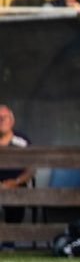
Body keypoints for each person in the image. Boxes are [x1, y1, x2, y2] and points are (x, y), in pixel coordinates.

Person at [0, 105, 36, 249]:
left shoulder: (22, 141)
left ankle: (9, 242)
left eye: (5, 117)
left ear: (12, 121)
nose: (1, 120)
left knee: (17, 200)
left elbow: (32, 169)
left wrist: (16, 182)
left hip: (16, 185)